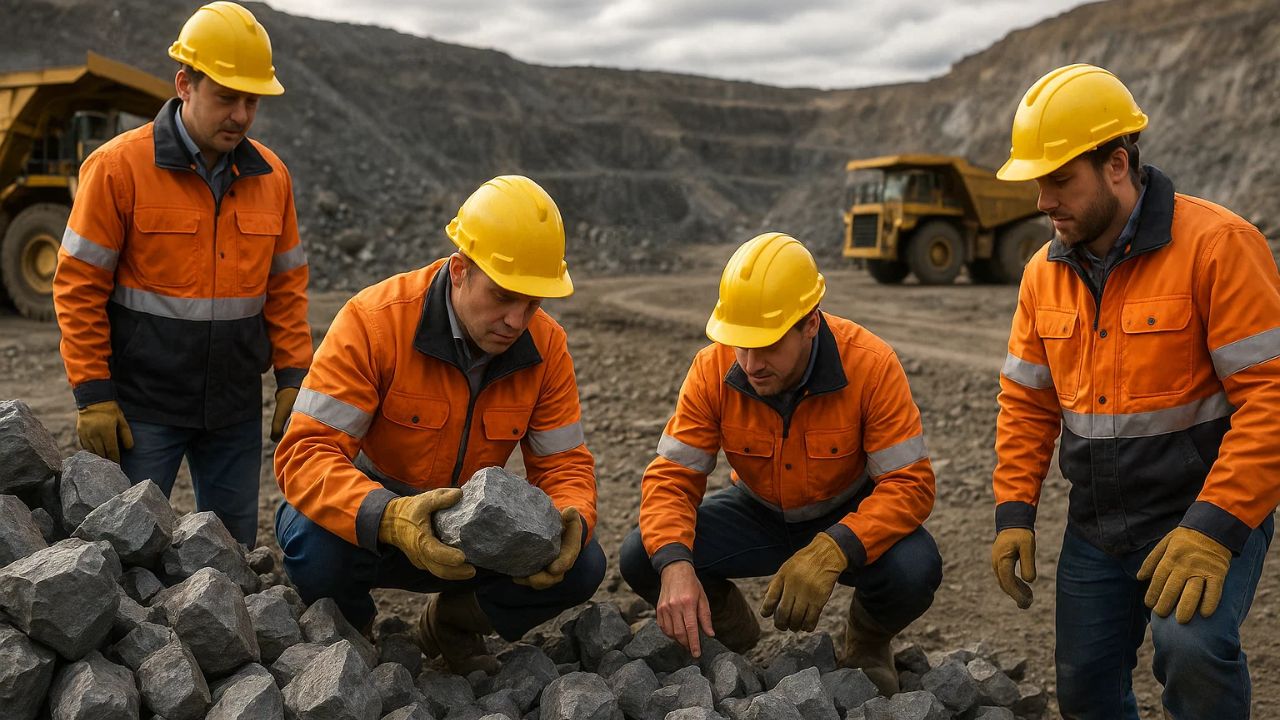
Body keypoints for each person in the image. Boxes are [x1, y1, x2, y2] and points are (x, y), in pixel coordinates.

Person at [990, 63, 1280, 720]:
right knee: (1084, 691)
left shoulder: (1219, 247)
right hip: (1097, 524)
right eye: (1039, 181)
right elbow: (1026, 405)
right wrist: (1014, 513)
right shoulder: (1042, 275)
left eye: (1060, 180)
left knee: (1192, 651)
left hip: (1201, 510)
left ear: (1116, 164)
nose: (1042, 201)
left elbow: (1272, 402)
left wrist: (1213, 529)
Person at [274, 175, 603, 673]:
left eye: (532, 303)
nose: (517, 320)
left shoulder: (547, 347)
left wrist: (571, 515)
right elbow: (306, 454)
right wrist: (391, 518)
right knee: (313, 540)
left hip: (474, 533)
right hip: (377, 525)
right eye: (502, 296)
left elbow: (563, 465)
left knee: (581, 564)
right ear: (459, 270)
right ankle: (350, 634)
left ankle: (453, 622)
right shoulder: (374, 322)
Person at [619, 232, 942, 694]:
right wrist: (675, 566)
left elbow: (910, 485)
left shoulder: (871, 366)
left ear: (809, 323)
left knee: (915, 567)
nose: (750, 363)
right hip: (757, 511)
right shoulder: (711, 370)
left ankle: (867, 642)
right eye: (739, 344)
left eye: (767, 345)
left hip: (847, 512)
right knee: (645, 556)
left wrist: (834, 549)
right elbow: (672, 477)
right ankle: (729, 630)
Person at [52, 1, 311, 546]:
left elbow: (286, 289)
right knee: (122, 551)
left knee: (232, 551)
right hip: (142, 407)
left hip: (234, 410)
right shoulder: (118, 169)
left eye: (251, 100)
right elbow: (78, 287)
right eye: (226, 97)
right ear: (185, 84)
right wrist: (93, 394)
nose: (240, 114)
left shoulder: (273, 178)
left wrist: (294, 379)